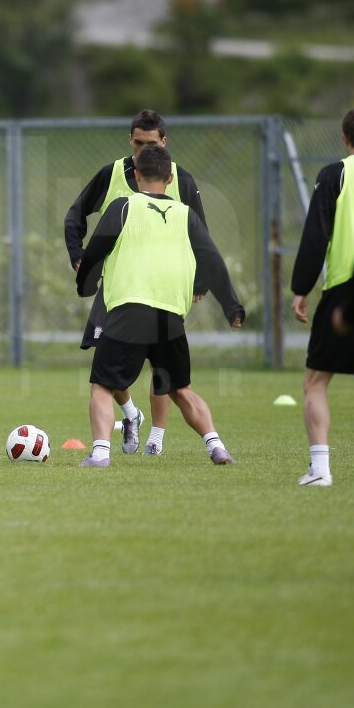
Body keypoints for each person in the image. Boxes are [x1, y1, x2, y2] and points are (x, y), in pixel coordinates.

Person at [75, 145, 244, 468]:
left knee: (103, 385)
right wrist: (232, 306)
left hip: (129, 310)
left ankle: (100, 453)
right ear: (169, 178)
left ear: (136, 175)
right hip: (170, 314)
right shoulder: (186, 215)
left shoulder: (123, 207)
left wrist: (86, 283)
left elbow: (95, 250)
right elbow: (212, 260)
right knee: (181, 389)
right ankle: (217, 447)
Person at [64, 110, 210, 458]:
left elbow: (201, 232)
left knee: (160, 368)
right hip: (119, 285)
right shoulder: (112, 174)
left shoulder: (181, 180)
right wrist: (79, 256)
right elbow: (75, 215)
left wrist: (199, 280)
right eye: (138, 143)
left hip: (163, 286)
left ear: (164, 143)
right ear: (130, 140)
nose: (144, 150)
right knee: (106, 361)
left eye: (152, 143)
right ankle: (131, 414)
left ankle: (156, 436)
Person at [290, 107, 354, 487]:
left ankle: (320, 470)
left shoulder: (335, 175)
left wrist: (300, 288)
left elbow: (316, 235)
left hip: (344, 290)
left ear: (344, 138)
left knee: (316, 382)